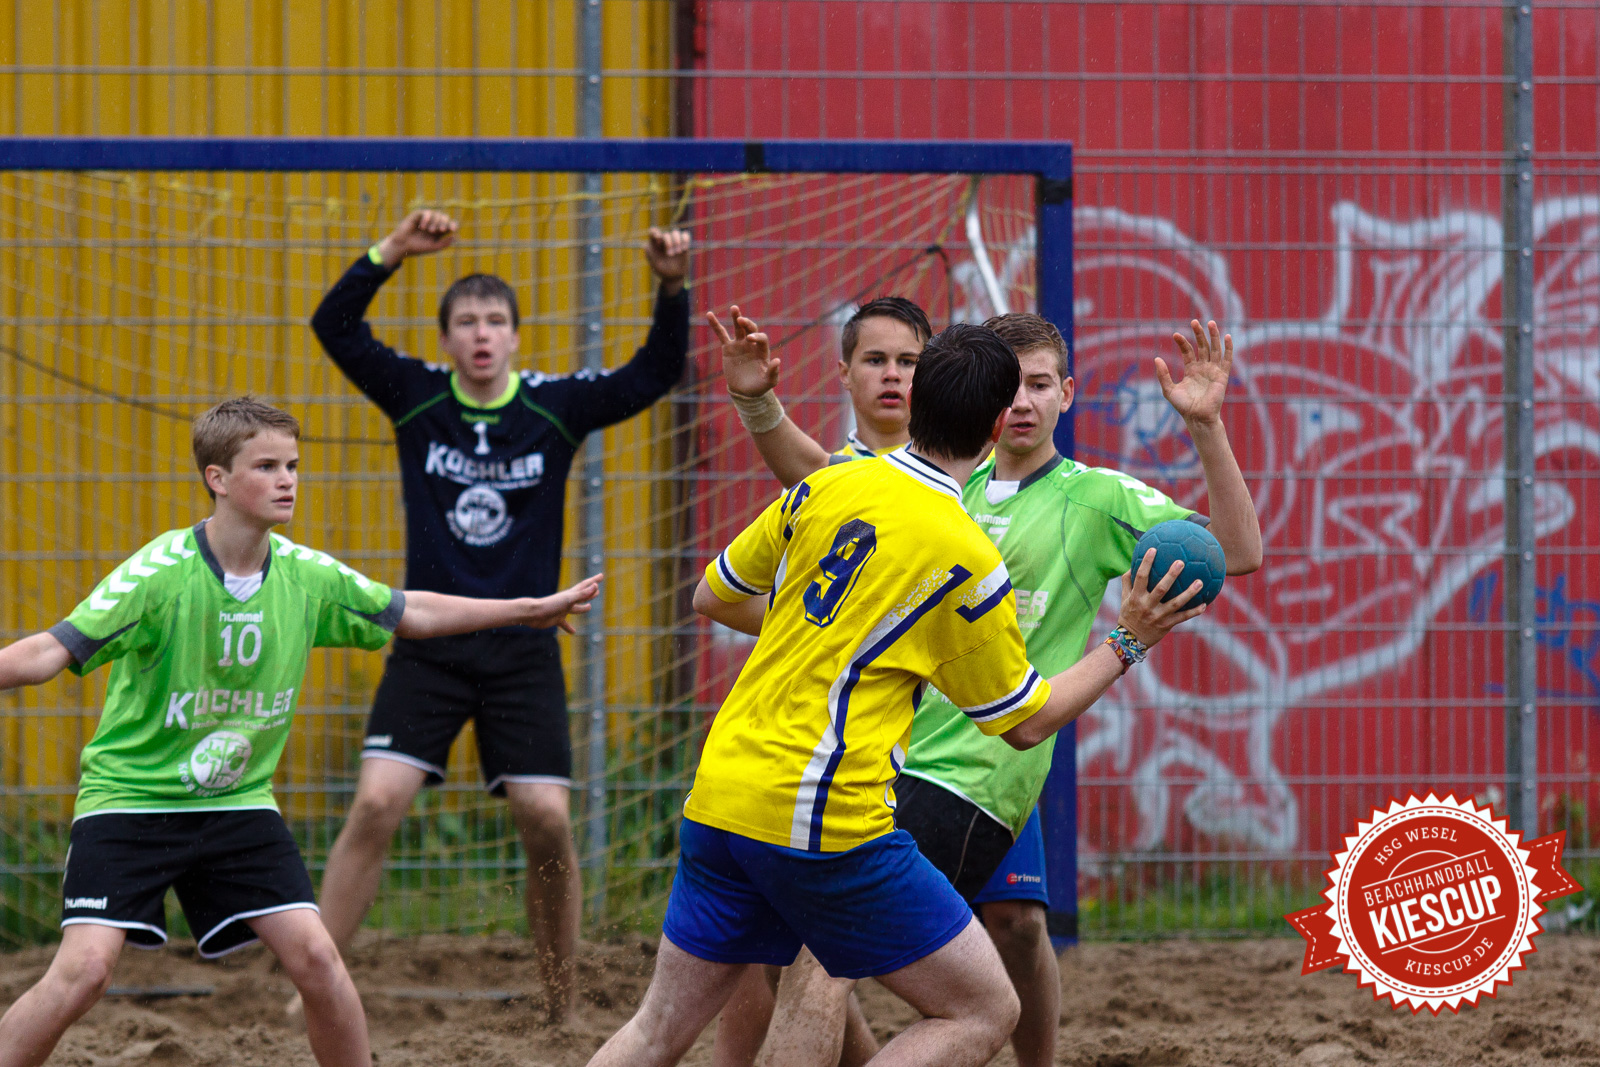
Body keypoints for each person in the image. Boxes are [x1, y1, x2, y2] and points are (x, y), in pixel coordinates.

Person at [583, 323, 1207, 1067]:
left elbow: (715, 590)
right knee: (983, 1006)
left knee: (657, 1028)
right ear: (994, 421)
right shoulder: (965, 552)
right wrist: (1129, 638)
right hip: (821, 814)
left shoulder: (827, 484)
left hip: (720, 789)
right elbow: (1025, 720)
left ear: (916, 401)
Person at [0, 398, 601, 1067]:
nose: (288, 479)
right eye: (266, 466)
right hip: (131, 801)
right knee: (85, 972)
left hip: (236, 807)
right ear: (217, 478)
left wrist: (526, 609)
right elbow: (48, 652)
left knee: (318, 957)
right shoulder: (161, 573)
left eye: (293, 464)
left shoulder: (305, 576)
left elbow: (411, 612)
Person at [306, 210, 691, 1022]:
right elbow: (332, 325)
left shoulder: (552, 408)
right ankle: (315, 988)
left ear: (516, 336)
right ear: (446, 338)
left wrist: (671, 286)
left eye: (495, 321)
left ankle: (560, 1002)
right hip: (430, 645)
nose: (481, 334)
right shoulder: (417, 397)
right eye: (466, 322)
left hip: (522, 651)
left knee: (546, 817)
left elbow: (652, 374)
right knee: (376, 803)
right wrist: (391, 253)